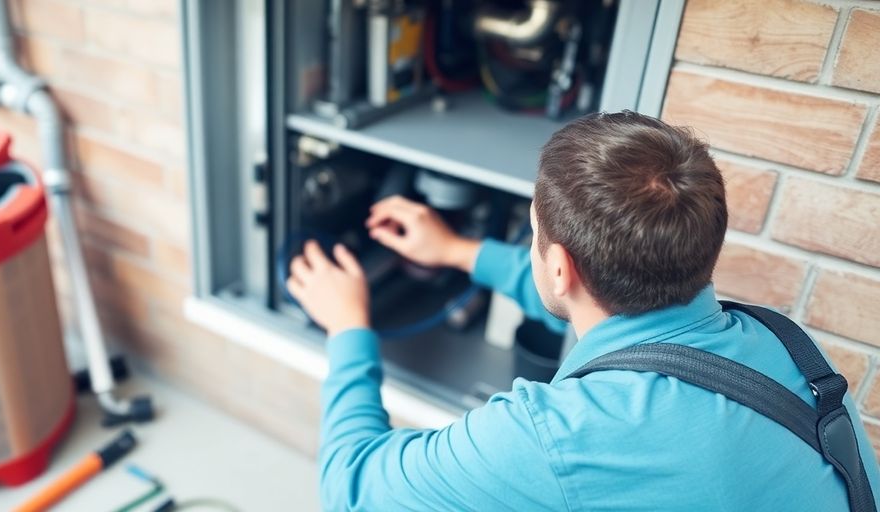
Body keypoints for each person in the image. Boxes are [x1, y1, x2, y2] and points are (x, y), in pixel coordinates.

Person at [285, 111, 880, 511]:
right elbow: (603, 309)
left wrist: (348, 326)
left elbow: (351, 486)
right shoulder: (786, 346)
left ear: (560, 267)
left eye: (534, 234)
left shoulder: (554, 438)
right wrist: (459, 251)